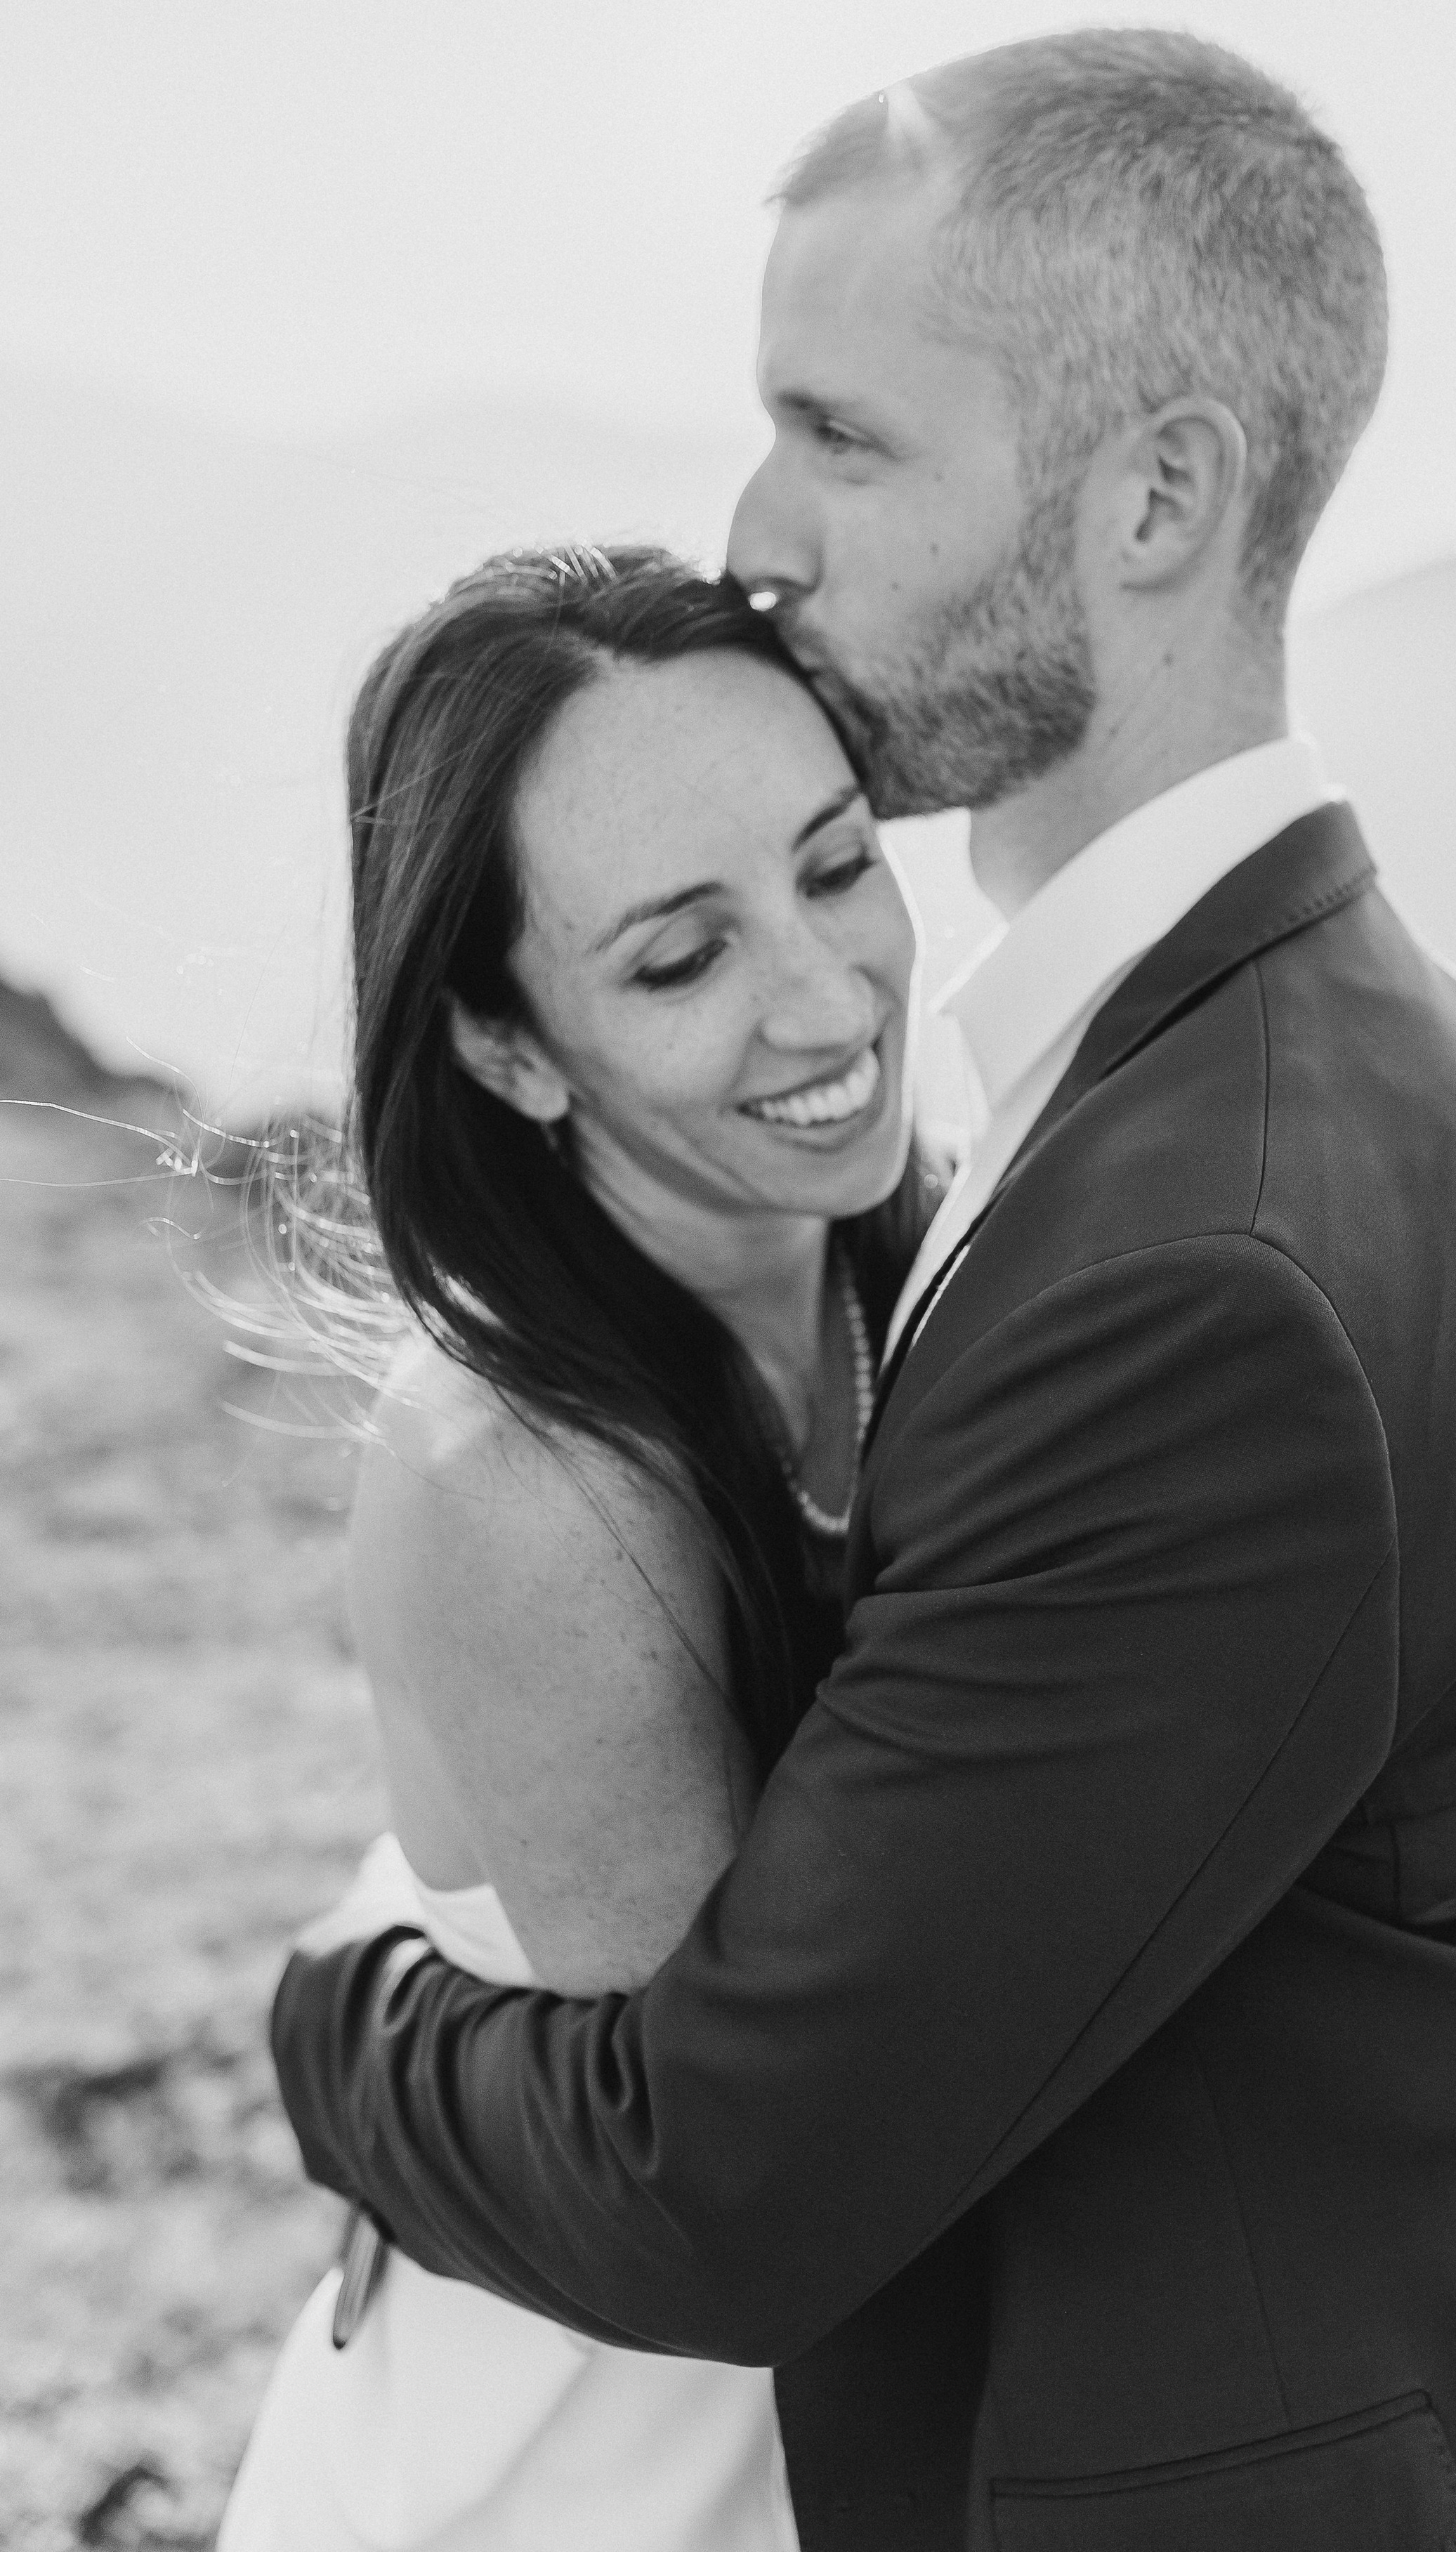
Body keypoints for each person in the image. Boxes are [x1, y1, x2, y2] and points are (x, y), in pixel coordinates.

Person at [273, 32, 1456, 2551]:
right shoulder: (1264, 1049)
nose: (755, 530)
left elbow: (737, 2178)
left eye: (842, 435)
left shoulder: (1209, 1253)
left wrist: (336, 2018)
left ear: (1159, 497)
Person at [221, 547, 933, 2548]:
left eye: (837, 867)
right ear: (508, 1047)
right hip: (589, 2461)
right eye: (681, 960)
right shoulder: (527, 1480)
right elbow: (733, 2187)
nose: (828, 997)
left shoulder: (928, 1261)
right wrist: (338, 2033)